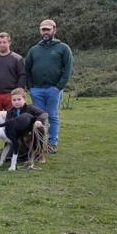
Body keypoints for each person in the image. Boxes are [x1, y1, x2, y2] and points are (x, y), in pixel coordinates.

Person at [25, 19, 74, 154]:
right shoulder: (34, 50)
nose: (45, 32)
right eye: (43, 29)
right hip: (37, 90)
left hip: (54, 89)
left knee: (52, 116)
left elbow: (68, 69)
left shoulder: (63, 48)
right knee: (39, 118)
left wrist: (58, 87)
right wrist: (30, 87)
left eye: (48, 29)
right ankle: (40, 144)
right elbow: (27, 69)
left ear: (54, 30)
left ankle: (52, 144)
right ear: (40, 31)